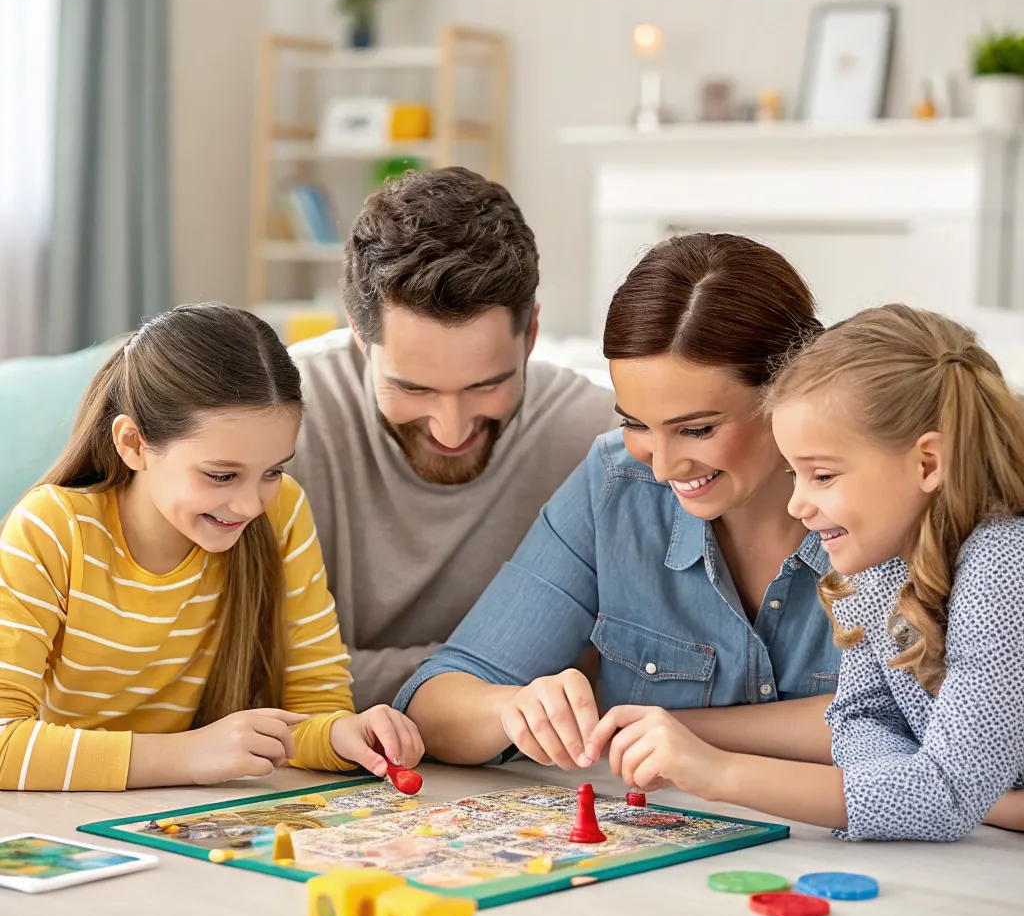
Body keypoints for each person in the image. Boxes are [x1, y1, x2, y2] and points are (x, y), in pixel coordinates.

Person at [397, 232, 842, 767]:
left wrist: (675, 732)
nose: (661, 466)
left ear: (790, 388)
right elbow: (434, 703)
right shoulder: (615, 484)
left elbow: (939, 739)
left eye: (697, 429)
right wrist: (515, 708)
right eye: (635, 423)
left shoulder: (889, 499)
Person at [587, 305, 1024, 839]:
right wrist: (920, 788)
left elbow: (948, 797)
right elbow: (862, 719)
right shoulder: (877, 565)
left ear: (927, 463)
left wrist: (719, 771)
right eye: (795, 474)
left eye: (822, 475)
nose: (797, 505)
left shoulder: (1002, 567)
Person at [0, 304, 422, 791]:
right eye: (221, 475)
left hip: (181, 814)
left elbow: (311, 708)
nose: (249, 505)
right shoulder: (53, 528)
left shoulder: (282, 512)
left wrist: (339, 734)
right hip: (62, 816)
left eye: (272, 471)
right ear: (134, 444)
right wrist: (189, 755)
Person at [287, 167, 616, 708]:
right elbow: (255, 675)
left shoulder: (596, 437)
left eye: (488, 385)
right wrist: (504, 683)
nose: (452, 428)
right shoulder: (280, 425)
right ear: (359, 335)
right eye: (412, 389)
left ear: (531, 334)